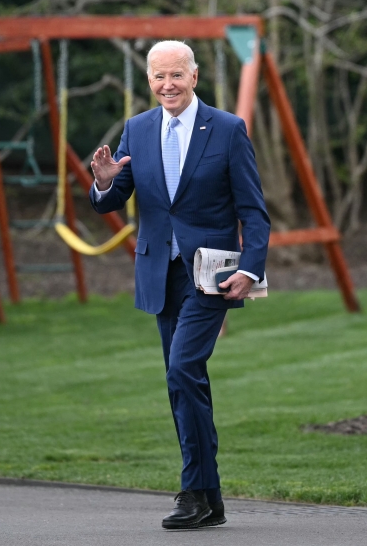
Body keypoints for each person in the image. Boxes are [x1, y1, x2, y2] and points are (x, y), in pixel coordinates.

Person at [90, 40, 270, 529]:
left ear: (194, 77)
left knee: (182, 368)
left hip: (212, 272)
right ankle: (211, 499)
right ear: (148, 80)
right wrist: (104, 182)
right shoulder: (137, 129)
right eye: (157, 76)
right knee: (185, 380)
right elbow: (113, 197)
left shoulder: (228, 130)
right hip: (159, 271)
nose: (167, 84)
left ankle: (192, 492)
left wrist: (251, 269)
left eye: (176, 75)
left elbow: (253, 212)